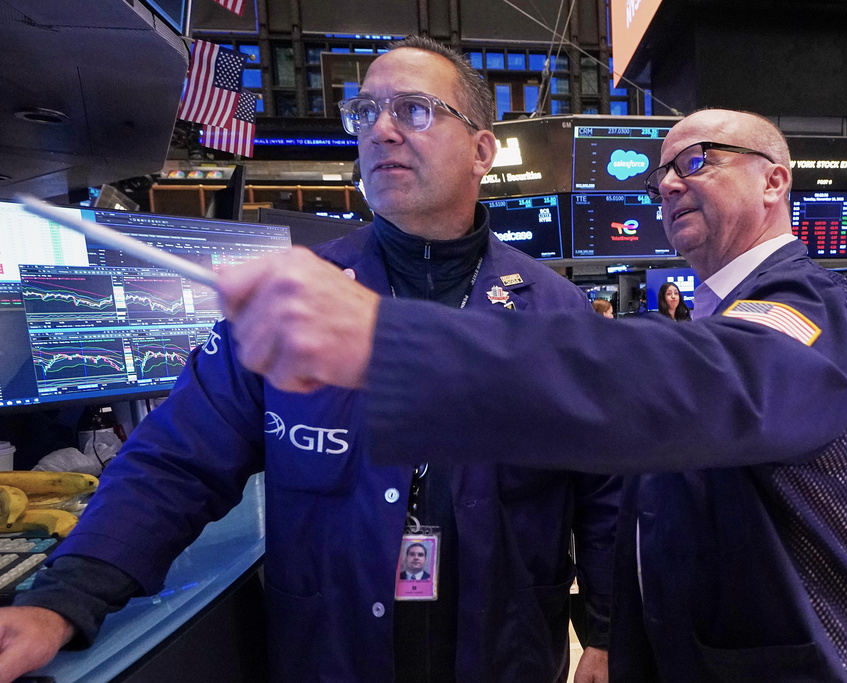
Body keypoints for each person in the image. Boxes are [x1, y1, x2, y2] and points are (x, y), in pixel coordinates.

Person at [0, 37, 620, 683]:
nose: (380, 130)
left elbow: (603, 489)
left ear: (482, 151)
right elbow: (177, 458)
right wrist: (63, 597)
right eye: (365, 112)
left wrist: (606, 631)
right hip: (333, 652)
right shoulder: (292, 298)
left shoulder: (556, 312)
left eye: (413, 110)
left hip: (505, 650)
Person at [211, 108, 847, 682]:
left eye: (698, 160)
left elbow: (710, 384)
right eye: (662, 171)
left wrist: (390, 342)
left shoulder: (819, 306)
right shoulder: (713, 317)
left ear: (774, 180)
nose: (669, 183)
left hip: (807, 663)